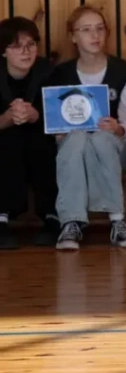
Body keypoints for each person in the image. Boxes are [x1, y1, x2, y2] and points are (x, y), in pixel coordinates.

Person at [49, 5, 126, 251]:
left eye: (100, 29)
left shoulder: (123, 70)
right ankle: (71, 222)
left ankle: (117, 221)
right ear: (73, 36)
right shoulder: (61, 73)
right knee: (76, 138)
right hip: (75, 150)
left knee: (101, 138)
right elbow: (53, 121)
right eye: (86, 30)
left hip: (115, 149)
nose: (95, 35)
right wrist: (58, 133)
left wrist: (119, 128)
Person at [0, 17, 60, 250]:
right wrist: (6, 119)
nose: (25, 52)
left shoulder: (48, 71)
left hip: (39, 137)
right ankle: (2, 216)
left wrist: (36, 115)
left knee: (41, 141)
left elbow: (60, 117)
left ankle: (51, 215)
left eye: (31, 44)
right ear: (3, 51)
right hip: (5, 136)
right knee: (9, 137)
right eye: (17, 46)